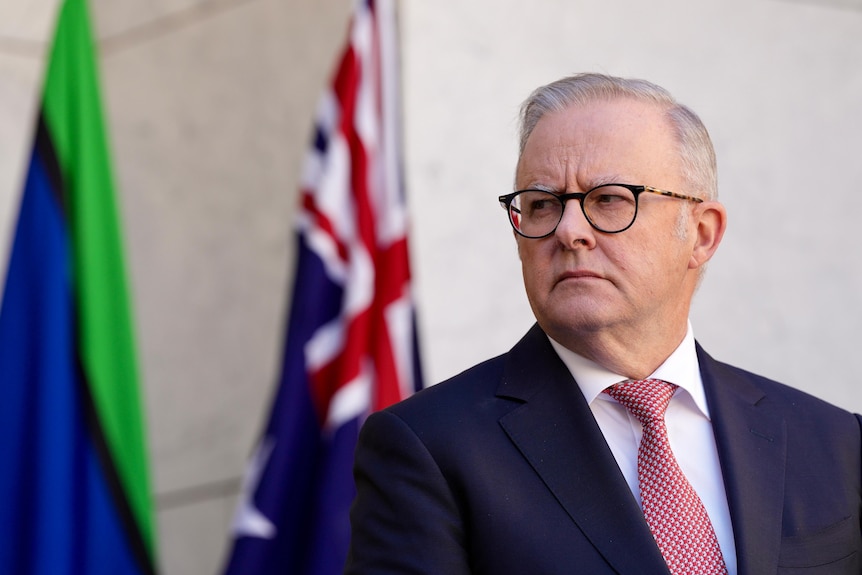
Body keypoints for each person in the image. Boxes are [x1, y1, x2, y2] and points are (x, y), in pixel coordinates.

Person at [344, 73, 862, 574]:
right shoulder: (429, 446)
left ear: (701, 234)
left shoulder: (836, 442)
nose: (570, 231)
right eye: (542, 204)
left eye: (610, 199)